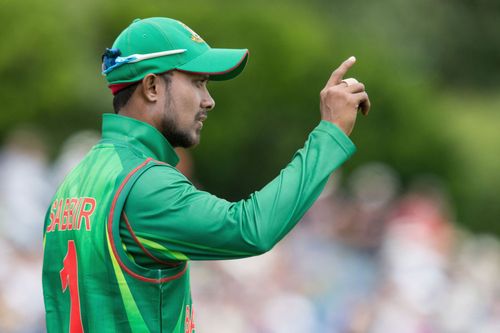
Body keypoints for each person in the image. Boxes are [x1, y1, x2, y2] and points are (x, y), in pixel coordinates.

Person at [42, 17, 370, 333]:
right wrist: (330, 133)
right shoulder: (144, 183)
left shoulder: (75, 182)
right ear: (152, 86)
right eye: (198, 82)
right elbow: (250, 230)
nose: (208, 101)